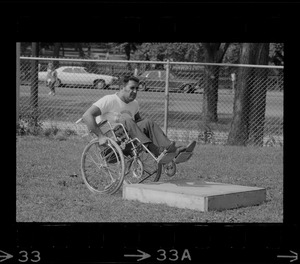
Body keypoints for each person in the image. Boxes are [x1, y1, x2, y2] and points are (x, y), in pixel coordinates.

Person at [82, 75, 190, 158]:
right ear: (121, 87)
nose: (135, 91)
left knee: (147, 122)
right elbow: (87, 115)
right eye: (132, 88)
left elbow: (139, 123)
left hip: (129, 137)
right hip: (112, 138)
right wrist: (100, 136)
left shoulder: (134, 104)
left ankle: (171, 150)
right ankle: (156, 151)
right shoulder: (109, 100)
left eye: (137, 88)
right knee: (127, 120)